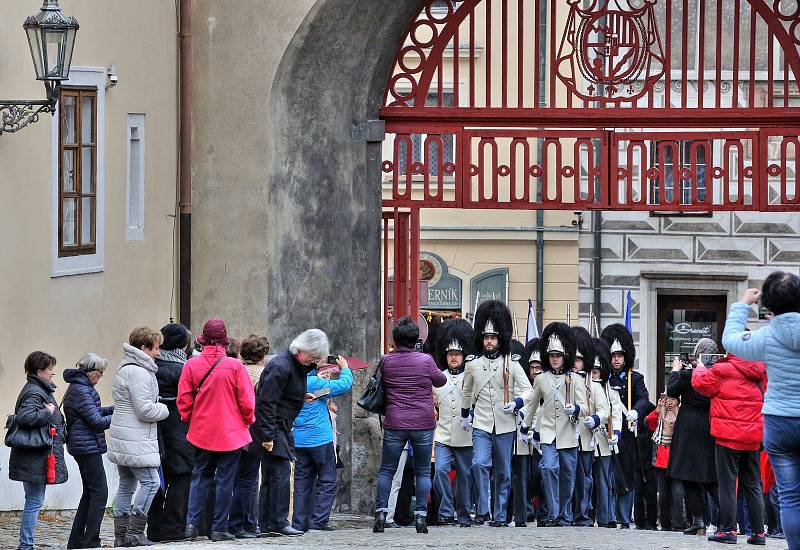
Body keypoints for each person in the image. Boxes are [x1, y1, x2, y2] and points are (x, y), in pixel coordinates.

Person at [722, 274, 800, 550]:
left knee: (790, 497)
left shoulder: (766, 337)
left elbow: (730, 340)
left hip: (779, 420)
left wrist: (743, 304)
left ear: (767, 303)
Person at [178, 318, 256, 542]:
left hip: (201, 430)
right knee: (225, 480)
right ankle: (219, 528)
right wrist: (247, 420)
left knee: (200, 476)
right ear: (224, 342)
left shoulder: (191, 365)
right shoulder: (235, 366)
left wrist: (191, 418)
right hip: (230, 433)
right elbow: (247, 402)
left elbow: (183, 400)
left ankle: (192, 525)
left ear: (203, 340)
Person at [252, 328, 332, 537]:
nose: (314, 361)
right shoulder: (282, 366)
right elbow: (267, 402)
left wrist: (299, 396)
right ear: (302, 350)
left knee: (272, 476)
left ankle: (268, 522)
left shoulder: (294, 364)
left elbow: (282, 392)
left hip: (280, 425)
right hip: (275, 426)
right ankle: (277, 521)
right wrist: (268, 435)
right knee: (279, 474)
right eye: (313, 357)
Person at [462, 301, 533, 527]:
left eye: (493, 338)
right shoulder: (473, 365)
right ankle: (483, 508)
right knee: (480, 464)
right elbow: (466, 392)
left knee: (503, 472)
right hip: (482, 423)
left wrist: (516, 403)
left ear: (500, 339)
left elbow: (529, 391)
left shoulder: (511, 364)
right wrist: (465, 414)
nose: (489, 342)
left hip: (505, 424)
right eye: (486, 338)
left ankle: (500, 514)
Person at [373, 317, 447, 534]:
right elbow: (440, 380)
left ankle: (380, 512)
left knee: (387, 470)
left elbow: (380, 382)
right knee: (423, 472)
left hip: (395, 421)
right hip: (423, 422)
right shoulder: (426, 360)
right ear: (416, 339)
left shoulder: (387, 361)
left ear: (395, 340)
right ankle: (421, 517)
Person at [692, 353, 768, 544]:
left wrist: (700, 368)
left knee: (727, 484)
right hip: (752, 436)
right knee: (753, 484)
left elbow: (701, 385)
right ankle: (758, 533)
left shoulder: (722, 369)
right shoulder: (761, 370)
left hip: (727, 437)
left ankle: (728, 530)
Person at [520, 322, 588, 527]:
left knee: (568, 475)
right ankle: (555, 512)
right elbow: (532, 405)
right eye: (552, 356)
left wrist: (575, 409)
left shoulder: (575, 379)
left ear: (564, 356)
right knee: (549, 469)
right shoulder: (541, 379)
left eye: (558, 355)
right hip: (548, 431)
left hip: (568, 433)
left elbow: (585, 408)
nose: (555, 359)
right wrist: (525, 427)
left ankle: (564, 514)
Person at [107, 328, 169, 547]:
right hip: (135, 438)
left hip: (124, 435)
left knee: (126, 484)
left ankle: (120, 537)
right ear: (144, 348)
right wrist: (164, 408)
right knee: (152, 483)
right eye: (156, 348)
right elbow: (145, 410)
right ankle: (134, 533)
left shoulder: (127, 368)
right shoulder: (140, 373)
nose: (159, 353)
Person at [9, 352, 68, 550]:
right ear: (39, 370)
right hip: (33, 456)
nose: (53, 373)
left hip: (34, 455)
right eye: (50, 369)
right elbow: (26, 417)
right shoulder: (34, 391)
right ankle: (26, 546)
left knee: (33, 499)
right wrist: (48, 412)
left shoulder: (38, 389)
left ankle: (26, 544)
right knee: (34, 500)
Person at [291, 355, 353, 532]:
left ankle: (299, 522)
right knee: (327, 479)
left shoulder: (296, 382)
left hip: (299, 439)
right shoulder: (313, 383)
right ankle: (318, 522)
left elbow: (316, 396)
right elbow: (343, 386)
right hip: (319, 438)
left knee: (302, 481)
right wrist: (345, 368)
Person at [666, 338, 719, 537]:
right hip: (708, 426)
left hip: (688, 428)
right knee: (710, 478)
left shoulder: (688, 374)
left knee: (688, 476)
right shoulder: (716, 374)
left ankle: (699, 520)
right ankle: (727, 519)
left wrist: (674, 370)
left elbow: (671, 390)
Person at [599, 323, 649, 529]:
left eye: (620, 355)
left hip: (626, 434)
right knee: (606, 474)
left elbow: (644, 398)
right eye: (612, 355)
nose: (616, 359)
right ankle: (608, 515)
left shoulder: (634, 378)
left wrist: (635, 411)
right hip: (604, 432)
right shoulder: (601, 378)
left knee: (626, 476)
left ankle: (624, 517)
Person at [146, 323, 193, 543]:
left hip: (153, 426)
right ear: (183, 345)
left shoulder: (151, 365)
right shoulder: (184, 368)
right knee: (181, 475)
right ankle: (174, 527)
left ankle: (154, 527)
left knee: (154, 476)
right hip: (179, 426)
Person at [63, 353, 113, 549]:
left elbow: (94, 412)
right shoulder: (82, 390)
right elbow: (96, 421)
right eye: (100, 373)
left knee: (90, 493)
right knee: (100, 493)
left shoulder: (79, 387)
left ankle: (77, 541)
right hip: (86, 447)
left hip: (83, 445)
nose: (101, 377)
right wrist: (119, 419)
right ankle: (90, 540)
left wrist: (116, 409)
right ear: (92, 372)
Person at [432, 319, 476, 528]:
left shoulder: (472, 376)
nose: (454, 358)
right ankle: (446, 510)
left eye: (457, 354)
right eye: (450, 354)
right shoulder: (439, 377)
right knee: (440, 470)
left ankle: (464, 512)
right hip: (443, 434)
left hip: (465, 434)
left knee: (465, 477)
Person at [229, 334, 270, 538]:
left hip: (233, 429)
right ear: (262, 354)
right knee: (249, 479)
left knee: (235, 478)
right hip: (253, 429)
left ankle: (237, 521)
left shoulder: (236, 370)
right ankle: (244, 523)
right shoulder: (264, 374)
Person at [571, 327, 611, 527]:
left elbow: (605, 410)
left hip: (585, 437)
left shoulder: (593, 384)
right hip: (564, 436)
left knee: (584, 479)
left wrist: (595, 419)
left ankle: (583, 515)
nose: (575, 363)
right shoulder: (563, 380)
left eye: (578, 359)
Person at [590, 338, 624, 528]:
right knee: (586, 481)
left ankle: (606, 517)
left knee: (605, 481)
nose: (594, 375)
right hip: (587, 439)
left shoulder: (609, 388)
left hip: (604, 440)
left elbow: (616, 412)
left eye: (596, 372)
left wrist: (616, 434)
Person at [645, 394, 682, 531]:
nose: (670, 403)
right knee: (663, 496)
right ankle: (666, 524)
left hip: (678, 461)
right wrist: (658, 410)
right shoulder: (661, 413)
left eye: (673, 400)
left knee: (678, 494)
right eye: (668, 399)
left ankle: (679, 524)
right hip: (661, 460)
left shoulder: (681, 414)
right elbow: (649, 423)